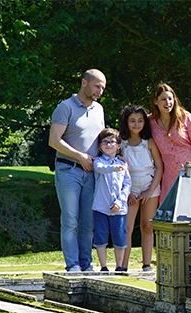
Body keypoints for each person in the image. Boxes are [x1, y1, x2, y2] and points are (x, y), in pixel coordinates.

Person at [49, 69, 107, 272]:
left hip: (92, 172)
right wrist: (79, 156)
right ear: (84, 82)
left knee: (88, 222)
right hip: (68, 170)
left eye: (102, 88)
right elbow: (54, 140)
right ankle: (72, 265)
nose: (100, 91)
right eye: (97, 86)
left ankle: (86, 264)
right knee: (70, 220)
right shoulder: (65, 107)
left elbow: (102, 141)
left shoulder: (99, 109)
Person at [117, 104, 163, 271]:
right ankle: (123, 265)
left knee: (147, 225)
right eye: (132, 121)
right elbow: (118, 169)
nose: (136, 124)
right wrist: (127, 192)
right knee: (127, 228)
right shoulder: (121, 143)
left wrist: (150, 191)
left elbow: (159, 167)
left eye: (140, 121)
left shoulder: (148, 142)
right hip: (130, 188)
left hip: (149, 187)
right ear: (126, 122)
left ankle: (147, 264)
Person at [149, 83, 191, 201]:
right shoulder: (150, 122)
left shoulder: (185, 117)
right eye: (163, 99)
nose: (168, 102)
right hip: (170, 176)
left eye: (170, 99)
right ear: (155, 101)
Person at [92, 128, 132, 272]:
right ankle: (103, 266)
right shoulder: (98, 162)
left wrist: (120, 201)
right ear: (100, 146)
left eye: (112, 142)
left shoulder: (123, 164)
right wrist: (114, 168)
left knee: (120, 236)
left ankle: (119, 266)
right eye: (105, 142)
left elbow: (127, 184)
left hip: (119, 208)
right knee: (100, 236)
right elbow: (101, 169)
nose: (108, 145)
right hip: (100, 207)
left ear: (119, 146)